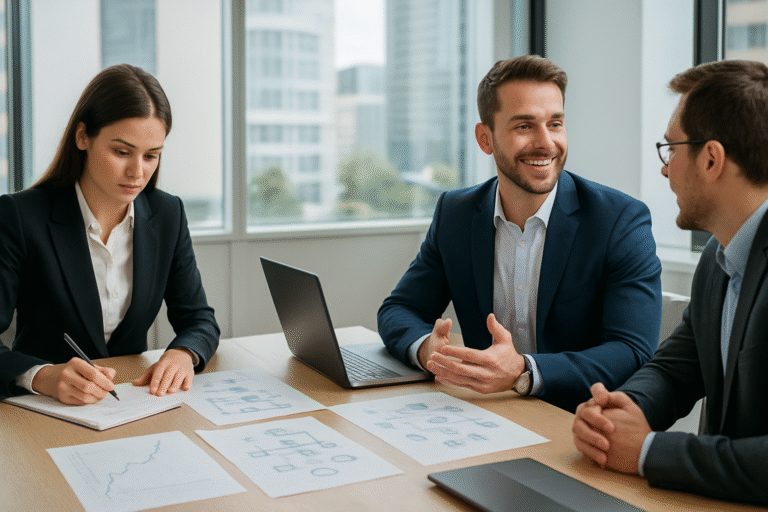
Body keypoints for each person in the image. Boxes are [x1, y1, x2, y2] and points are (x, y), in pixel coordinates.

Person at [377, 55, 662, 412]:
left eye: (555, 124)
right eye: (525, 126)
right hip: (484, 412)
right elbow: (400, 308)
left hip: (576, 419)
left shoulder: (619, 220)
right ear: (485, 138)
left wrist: (523, 371)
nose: (546, 143)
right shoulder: (456, 213)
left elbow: (631, 350)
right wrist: (427, 350)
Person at [571, 60, 768, 506]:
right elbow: (677, 368)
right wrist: (620, 411)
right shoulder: (719, 258)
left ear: (711, 159)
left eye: (671, 150)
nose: (665, 170)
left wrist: (647, 452)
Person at [0, 64, 220, 405]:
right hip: (43, 408)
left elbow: (199, 318)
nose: (137, 172)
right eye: (121, 152)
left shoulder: (167, 214)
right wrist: (41, 376)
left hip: (132, 402)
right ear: (83, 136)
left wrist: (183, 353)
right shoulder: (20, 216)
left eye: (151, 156)